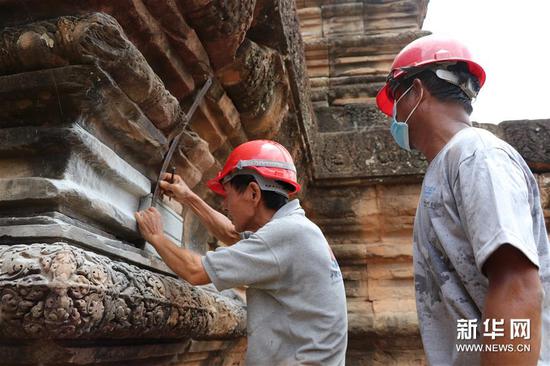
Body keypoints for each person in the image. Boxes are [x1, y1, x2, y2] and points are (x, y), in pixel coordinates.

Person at [376, 34, 549, 365]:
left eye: (396, 99)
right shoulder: (448, 166)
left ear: (416, 92)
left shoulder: (477, 156)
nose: (393, 116)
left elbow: (518, 286)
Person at [135, 140, 348, 365]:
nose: (225, 205)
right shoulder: (297, 229)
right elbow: (232, 234)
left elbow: (195, 271)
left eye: (227, 196)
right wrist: (189, 197)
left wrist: (157, 237)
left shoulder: (287, 233)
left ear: (253, 193)